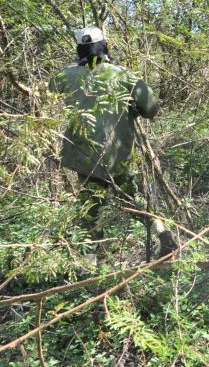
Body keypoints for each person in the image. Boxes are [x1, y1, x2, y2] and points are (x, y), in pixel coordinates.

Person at [50, 26, 177, 258]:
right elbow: (151, 109)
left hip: (84, 155)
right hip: (118, 154)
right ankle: (163, 234)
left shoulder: (64, 76)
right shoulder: (124, 75)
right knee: (132, 197)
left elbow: (49, 96)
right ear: (104, 46)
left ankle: (91, 263)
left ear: (80, 50)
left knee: (90, 210)